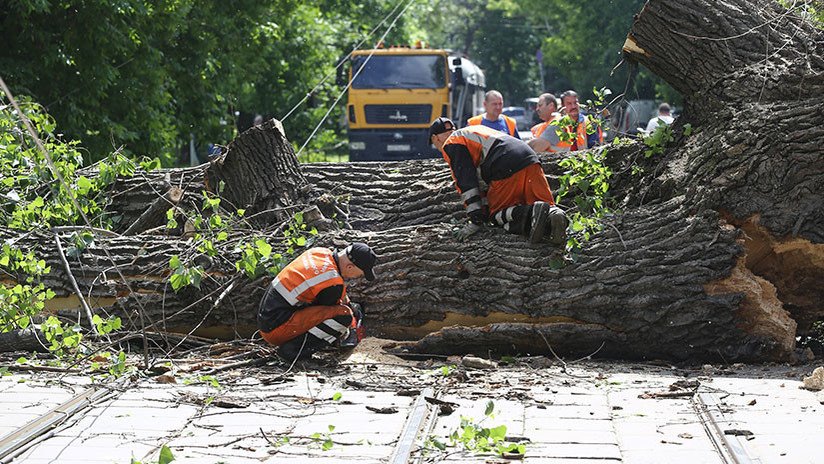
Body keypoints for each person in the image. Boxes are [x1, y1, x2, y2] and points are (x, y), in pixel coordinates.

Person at [429, 117, 568, 245]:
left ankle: (532, 212)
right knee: (544, 205)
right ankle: (554, 214)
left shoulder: (452, 143)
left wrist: (476, 219)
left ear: (435, 138)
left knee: (497, 216)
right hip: (529, 157)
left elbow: (466, 182)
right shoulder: (472, 132)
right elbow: (481, 184)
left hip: (504, 164)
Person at [258, 242, 377, 361]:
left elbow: (325, 286)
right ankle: (292, 351)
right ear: (350, 267)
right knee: (343, 316)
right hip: (275, 330)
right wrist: (350, 322)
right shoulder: (333, 282)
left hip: (268, 319)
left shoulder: (319, 253)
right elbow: (328, 311)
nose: (357, 277)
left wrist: (349, 303)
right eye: (360, 274)